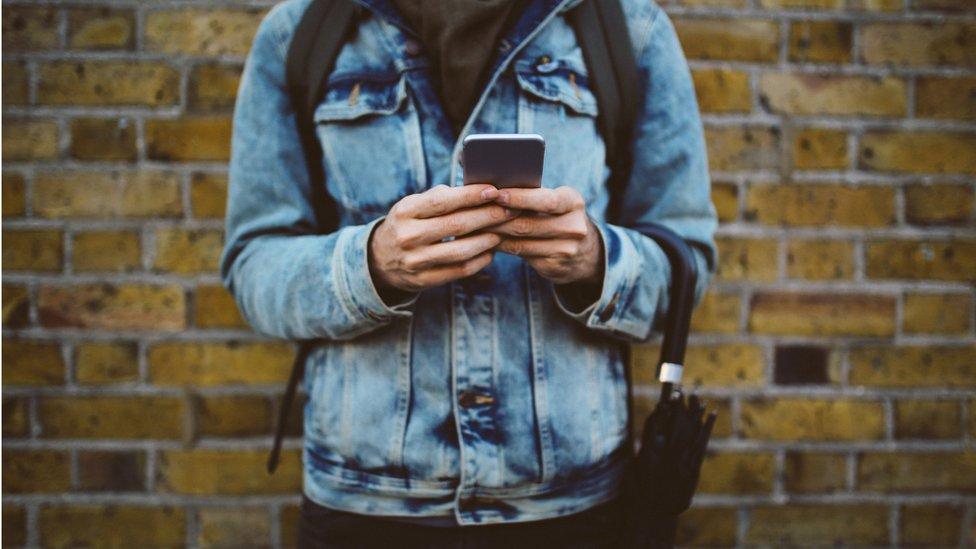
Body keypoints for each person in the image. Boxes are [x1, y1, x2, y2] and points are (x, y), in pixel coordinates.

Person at [220, 0, 717, 545]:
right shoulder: (301, 32)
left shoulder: (626, 28)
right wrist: (369, 265)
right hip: (366, 501)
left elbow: (686, 261)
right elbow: (253, 265)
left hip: (570, 500)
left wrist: (597, 262)